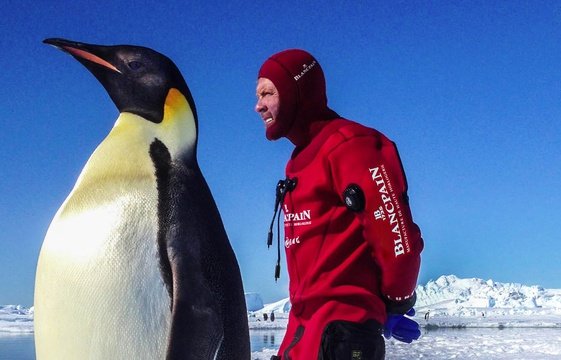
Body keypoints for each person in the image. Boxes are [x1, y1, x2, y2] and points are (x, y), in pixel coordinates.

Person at [255, 49, 424, 360]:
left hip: (343, 337)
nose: (258, 106)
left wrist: (396, 301)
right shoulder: (300, 161)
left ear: (296, 91)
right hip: (303, 332)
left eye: (268, 92)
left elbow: (395, 235)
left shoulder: (351, 146)